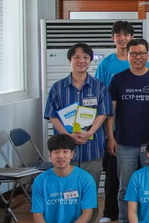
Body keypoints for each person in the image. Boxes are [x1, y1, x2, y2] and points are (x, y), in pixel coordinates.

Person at [10, 134, 103, 223]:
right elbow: (37, 214)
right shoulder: (40, 181)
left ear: (72, 154)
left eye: (65, 152)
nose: (61, 156)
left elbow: (87, 213)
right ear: (50, 155)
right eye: (56, 152)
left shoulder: (85, 179)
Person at [106, 38, 149, 223]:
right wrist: (111, 137)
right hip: (125, 143)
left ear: (147, 55)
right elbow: (111, 112)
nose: (137, 57)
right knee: (125, 187)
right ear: (127, 55)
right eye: (133, 53)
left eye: (141, 53)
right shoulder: (118, 79)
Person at [43, 42, 111, 207]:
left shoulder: (100, 87)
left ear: (90, 61)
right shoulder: (58, 88)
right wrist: (67, 136)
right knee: (66, 192)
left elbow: (103, 113)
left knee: (90, 191)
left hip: (92, 148)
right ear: (70, 60)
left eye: (85, 57)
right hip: (65, 150)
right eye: (77, 57)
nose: (81, 61)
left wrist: (89, 133)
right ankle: (67, 221)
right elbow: (52, 115)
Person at [95, 20, 137, 223]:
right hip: (112, 125)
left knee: (134, 173)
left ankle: (135, 213)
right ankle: (109, 212)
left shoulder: (140, 61)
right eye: (118, 35)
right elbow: (99, 93)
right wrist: (106, 130)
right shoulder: (106, 64)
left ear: (131, 37)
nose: (122, 38)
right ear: (113, 38)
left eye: (126, 35)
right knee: (112, 170)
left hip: (134, 125)